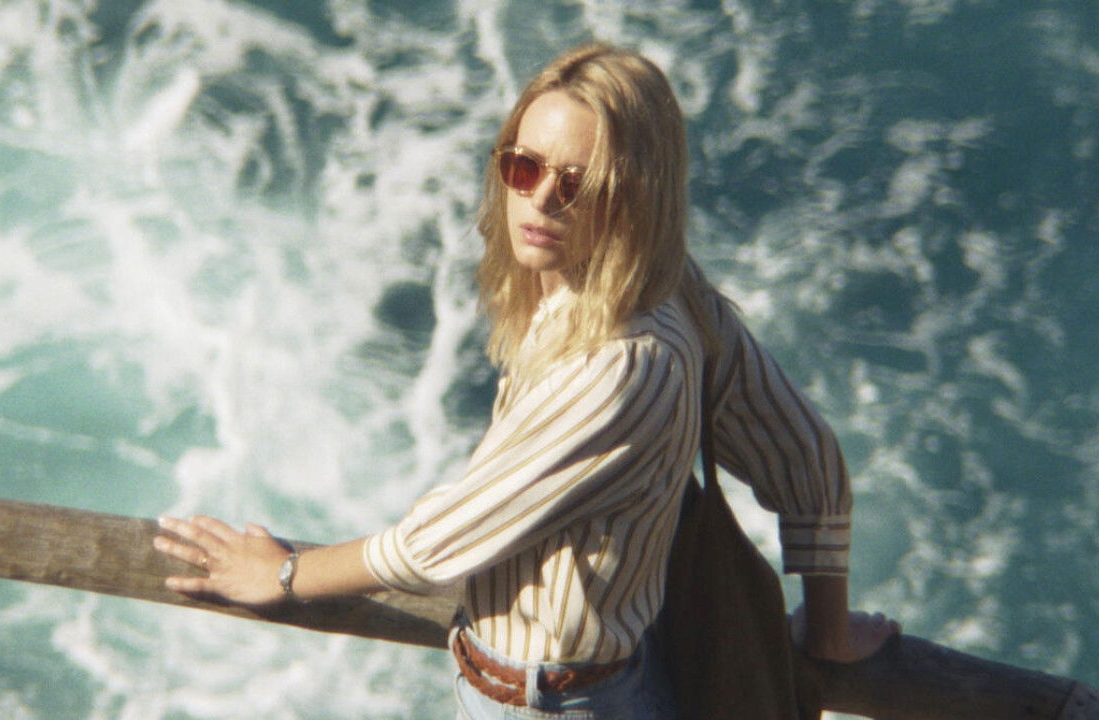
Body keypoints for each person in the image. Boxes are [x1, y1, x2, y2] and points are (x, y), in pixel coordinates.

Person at [153, 43, 899, 719]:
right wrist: (827, 631)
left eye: (578, 183)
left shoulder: (624, 365)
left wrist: (283, 575)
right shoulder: (668, 289)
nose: (541, 199)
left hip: (554, 703)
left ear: (636, 193)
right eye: (524, 167)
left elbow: (440, 545)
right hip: (583, 685)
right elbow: (801, 454)